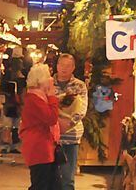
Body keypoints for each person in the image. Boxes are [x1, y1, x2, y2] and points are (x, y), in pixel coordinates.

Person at [19, 63, 62, 190]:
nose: (51, 80)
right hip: (39, 148)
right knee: (41, 184)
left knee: (52, 184)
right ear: (41, 80)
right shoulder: (34, 99)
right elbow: (51, 118)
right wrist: (52, 96)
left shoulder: (36, 97)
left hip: (44, 147)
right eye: (48, 76)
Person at [54, 54, 87, 190]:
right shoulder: (48, 83)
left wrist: (68, 124)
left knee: (68, 178)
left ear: (73, 68)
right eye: (62, 65)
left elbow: (82, 109)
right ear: (57, 65)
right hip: (50, 137)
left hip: (71, 137)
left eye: (68, 66)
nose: (64, 69)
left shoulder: (79, 85)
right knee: (50, 177)